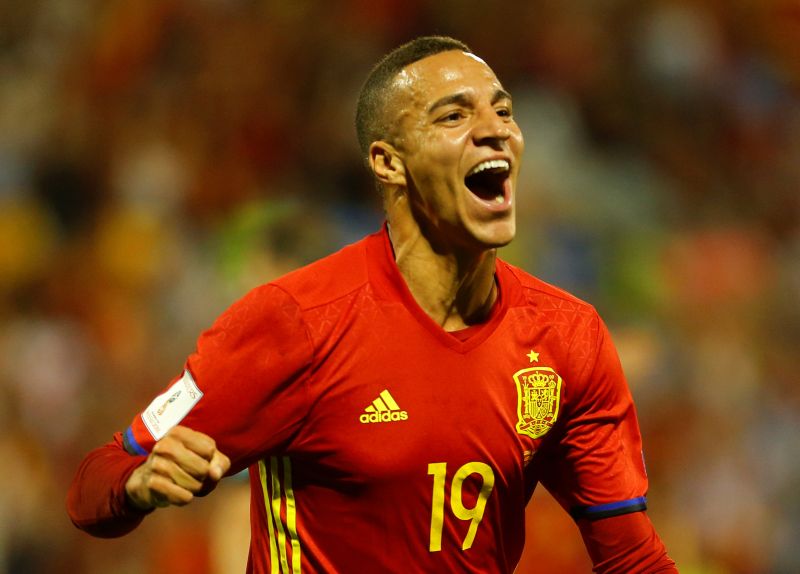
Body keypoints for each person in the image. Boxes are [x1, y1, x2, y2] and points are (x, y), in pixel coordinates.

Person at [67, 36, 677, 573]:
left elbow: (629, 556)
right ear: (388, 163)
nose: (495, 129)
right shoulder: (294, 323)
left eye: (503, 110)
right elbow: (97, 480)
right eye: (454, 115)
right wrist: (138, 485)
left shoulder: (566, 337)